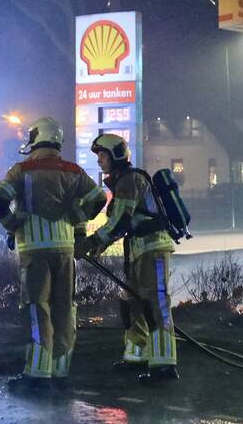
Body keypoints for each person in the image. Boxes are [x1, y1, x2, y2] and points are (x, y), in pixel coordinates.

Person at [0, 117, 106, 392]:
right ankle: (60, 370)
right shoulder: (73, 170)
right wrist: (75, 217)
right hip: (65, 249)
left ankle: (38, 373)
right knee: (63, 307)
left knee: (36, 307)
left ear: (36, 138)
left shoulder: (21, 170)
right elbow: (98, 198)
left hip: (34, 249)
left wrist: (12, 224)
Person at [76, 133, 179, 383]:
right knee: (131, 303)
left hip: (153, 248)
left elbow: (121, 219)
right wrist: (100, 243)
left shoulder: (130, 180)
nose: (99, 161)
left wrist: (92, 241)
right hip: (137, 249)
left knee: (155, 305)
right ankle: (137, 355)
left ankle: (164, 365)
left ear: (116, 156)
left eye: (102, 156)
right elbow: (121, 222)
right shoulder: (123, 180)